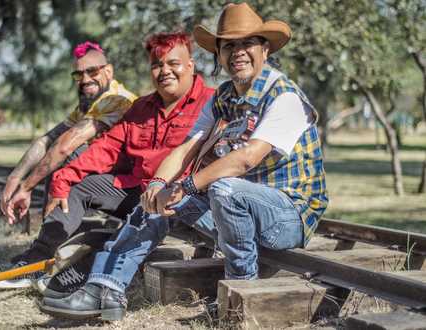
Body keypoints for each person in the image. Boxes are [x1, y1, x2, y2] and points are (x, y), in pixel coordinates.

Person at [38, 3, 328, 321]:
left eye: (247, 43)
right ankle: (105, 288)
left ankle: (242, 292)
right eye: (229, 45)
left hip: (288, 216)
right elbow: (186, 147)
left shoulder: (283, 95)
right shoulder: (224, 97)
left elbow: (245, 159)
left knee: (224, 188)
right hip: (238, 207)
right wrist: (160, 187)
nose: (238, 52)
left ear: (265, 48)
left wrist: (186, 185)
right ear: (218, 53)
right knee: (157, 202)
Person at [0, 32, 214, 293]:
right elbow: (107, 147)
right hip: (139, 192)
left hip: (182, 199)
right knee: (78, 186)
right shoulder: (141, 107)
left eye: (173, 63)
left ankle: (83, 275)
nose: (164, 71)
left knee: (132, 225)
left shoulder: (211, 102)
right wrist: (63, 179)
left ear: (190, 65)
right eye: (157, 65)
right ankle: (37, 261)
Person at [1, 41, 136, 224]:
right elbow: (47, 140)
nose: (85, 79)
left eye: (92, 71)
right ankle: (50, 231)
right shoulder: (88, 105)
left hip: (129, 187)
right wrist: (14, 177)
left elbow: (64, 147)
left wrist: (26, 187)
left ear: (108, 71)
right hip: (108, 176)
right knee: (56, 151)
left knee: (65, 152)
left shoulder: (117, 99)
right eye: (79, 74)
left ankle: (51, 235)